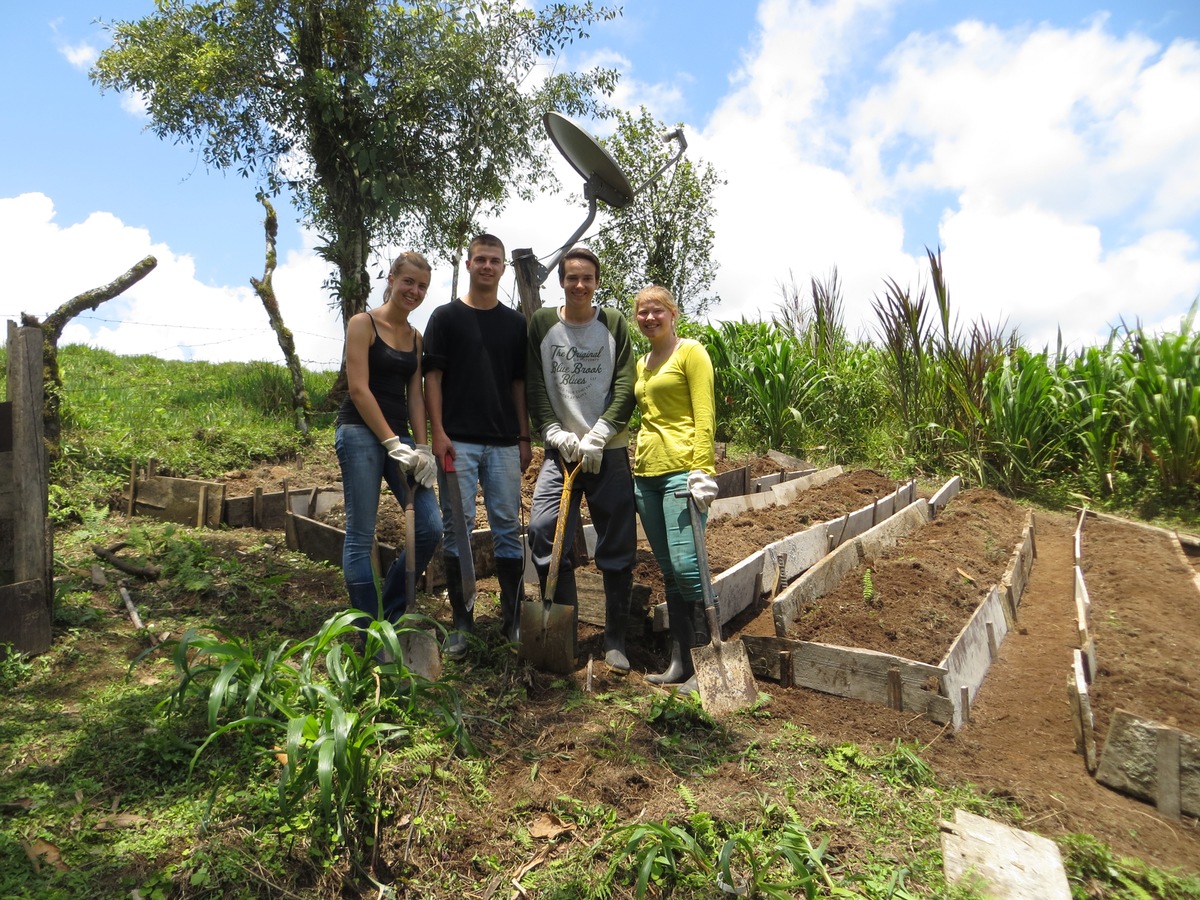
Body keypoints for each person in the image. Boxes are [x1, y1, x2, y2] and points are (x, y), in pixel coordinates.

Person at [526, 246, 637, 671]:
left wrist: (602, 432)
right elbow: (536, 383)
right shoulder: (542, 324)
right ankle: (563, 634)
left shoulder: (612, 323)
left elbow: (626, 383)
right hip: (562, 452)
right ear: (561, 281)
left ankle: (614, 641)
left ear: (596, 282)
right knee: (543, 527)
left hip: (606, 452)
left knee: (617, 541)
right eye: (571, 277)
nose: (579, 285)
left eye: (586, 278)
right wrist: (553, 431)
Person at [423, 234, 533, 658]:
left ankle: (512, 620)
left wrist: (524, 436)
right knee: (458, 527)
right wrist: (439, 432)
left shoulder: (514, 324)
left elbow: (518, 383)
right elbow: (432, 378)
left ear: (503, 268)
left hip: (505, 443)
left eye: (495, 261)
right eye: (480, 259)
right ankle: (462, 624)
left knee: (507, 526)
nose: (488, 266)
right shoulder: (445, 317)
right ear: (467, 265)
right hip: (459, 443)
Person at [334, 252, 442, 641]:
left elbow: (416, 396)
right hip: (360, 433)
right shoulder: (363, 323)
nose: (414, 291)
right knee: (361, 537)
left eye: (422, 286)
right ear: (392, 278)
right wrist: (392, 443)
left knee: (430, 526)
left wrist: (423, 448)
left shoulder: (415, 338)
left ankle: (389, 615)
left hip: (401, 437)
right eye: (408, 282)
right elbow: (358, 388)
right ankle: (367, 631)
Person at [631, 285, 719, 694]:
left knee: (688, 567)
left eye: (656, 311)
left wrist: (702, 470)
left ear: (672, 313)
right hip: (646, 473)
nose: (649, 318)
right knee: (668, 570)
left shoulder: (691, 352)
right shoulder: (641, 363)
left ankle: (709, 662)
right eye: (642, 313)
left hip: (682, 473)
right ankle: (680, 663)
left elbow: (704, 413)